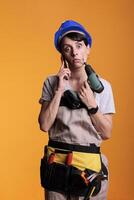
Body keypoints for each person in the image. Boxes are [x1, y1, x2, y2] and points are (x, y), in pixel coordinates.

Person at [38, 20, 115, 200]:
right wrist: (59, 91)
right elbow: (44, 124)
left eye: (79, 46)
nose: (75, 52)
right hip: (56, 165)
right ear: (62, 55)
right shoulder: (51, 82)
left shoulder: (102, 87)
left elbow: (107, 133)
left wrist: (91, 105)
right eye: (67, 48)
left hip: (88, 169)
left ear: (88, 48)